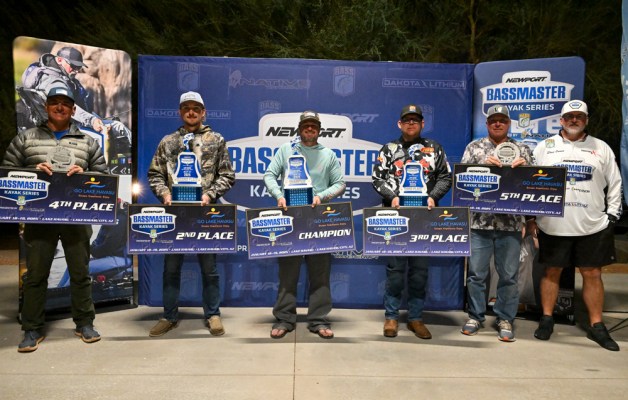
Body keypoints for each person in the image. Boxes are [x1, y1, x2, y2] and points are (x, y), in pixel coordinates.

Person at [2, 86, 108, 352]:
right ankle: (32, 328)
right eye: (54, 102)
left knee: (80, 273)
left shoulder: (87, 141)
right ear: (46, 106)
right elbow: (7, 172)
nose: (60, 107)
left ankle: (84, 323)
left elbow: (104, 176)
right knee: (36, 275)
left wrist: (85, 174)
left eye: (65, 103)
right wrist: (32, 170)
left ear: (73, 109)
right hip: (40, 219)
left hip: (76, 218)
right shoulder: (26, 138)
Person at [530, 100, 622, 351]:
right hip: (553, 223)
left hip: (592, 224)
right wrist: (532, 217)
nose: (574, 120)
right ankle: (547, 319)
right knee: (552, 271)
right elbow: (530, 182)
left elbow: (615, 182)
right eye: (569, 116)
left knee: (592, 273)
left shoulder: (601, 148)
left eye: (579, 116)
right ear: (561, 120)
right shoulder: (545, 147)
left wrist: (612, 214)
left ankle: (597, 325)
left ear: (586, 120)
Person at [147, 91, 235, 337]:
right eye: (186, 108)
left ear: (203, 112)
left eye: (196, 108)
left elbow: (227, 175)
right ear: (180, 112)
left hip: (204, 214)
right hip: (175, 215)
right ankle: (169, 316)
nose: (191, 112)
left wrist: (209, 195)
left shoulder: (216, 140)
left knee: (209, 269)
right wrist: (165, 194)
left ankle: (213, 315)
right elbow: (155, 174)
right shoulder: (168, 141)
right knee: (171, 268)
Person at [263, 110, 346, 340]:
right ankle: (284, 318)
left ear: (319, 130)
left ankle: (319, 320)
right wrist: (279, 195)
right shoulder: (285, 150)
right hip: (289, 217)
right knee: (288, 273)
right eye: (306, 125)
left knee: (320, 273)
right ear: (299, 129)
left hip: (318, 218)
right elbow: (269, 175)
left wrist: (321, 197)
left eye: (314, 126)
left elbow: (340, 183)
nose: (310, 128)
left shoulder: (328, 154)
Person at [372, 104, 452, 339]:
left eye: (415, 120)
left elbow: (445, 177)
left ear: (422, 124)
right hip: (395, 218)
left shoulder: (434, 148)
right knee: (395, 271)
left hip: (424, 218)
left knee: (419, 271)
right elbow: (377, 178)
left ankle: (416, 318)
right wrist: (392, 197)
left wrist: (433, 196)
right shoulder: (389, 149)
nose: (411, 123)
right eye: (406, 120)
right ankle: (391, 317)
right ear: (400, 124)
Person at [459, 104, 533, 342]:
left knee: (509, 275)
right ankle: (475, 316)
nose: (497, 123)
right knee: (476, 274)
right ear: (487, 124)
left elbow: (534, 185)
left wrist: (524, 170)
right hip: (479, 223)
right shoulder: (474, 148)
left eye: (502, 120)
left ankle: (505, 318)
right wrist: (483, 169)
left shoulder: (523, 149)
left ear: (509, 123)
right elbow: (462, 182)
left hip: (510, 224)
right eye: (493, 120)